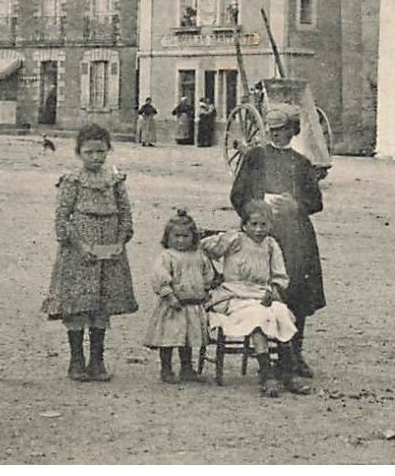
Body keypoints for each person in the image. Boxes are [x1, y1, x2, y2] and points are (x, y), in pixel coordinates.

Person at [228, 103, 326, 379]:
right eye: (272, 130)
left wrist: (296, 204)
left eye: (283, 131)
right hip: (262, 233)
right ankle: (267, 357)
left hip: (295, 236)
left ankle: (294, 354)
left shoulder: (302, 163)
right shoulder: (255, 158)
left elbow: (316, 202)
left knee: (296, 290)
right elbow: (237, 195)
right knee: (263, 292)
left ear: (293, 131)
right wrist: (260, 204)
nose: (276, 136)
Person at [41, 125, 137, 381]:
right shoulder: (72, 180)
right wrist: (80, 246)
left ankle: (97, 360)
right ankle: (76, 360)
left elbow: (126, 213)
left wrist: (119, 241)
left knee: (101, 305)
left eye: (101, 152)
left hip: (109, 254)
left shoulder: (115, 180)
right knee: (77, 305)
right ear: (79, 153)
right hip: (78, 253)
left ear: (108, 151)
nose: (96, 157)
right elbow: (62, 218)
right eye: (89, 152)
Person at [201, 201, 304, 397]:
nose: (258, 230)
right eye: (253, 224)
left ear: (270, 225)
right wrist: (212, 276)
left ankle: (288, 371)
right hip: (234, 295)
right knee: (257, 317)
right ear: (244, 225)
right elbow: (204, 248)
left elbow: (279, 275)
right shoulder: (235, 240)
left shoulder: (271, 245)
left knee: (281, 313)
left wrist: (273, 289)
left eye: (263, 225)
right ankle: (266, 374)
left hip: (261, 294)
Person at [142, 208, 214, 383]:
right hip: (173, 304)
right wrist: (168, 294)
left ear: (193, 237)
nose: (181, 240)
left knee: (187, 338)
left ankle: (187, 368)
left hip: (192, 303)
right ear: (168, 237)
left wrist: (205, 290)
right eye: (176, 236)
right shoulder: (167, 257)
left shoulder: (199, 256)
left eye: (185, 236)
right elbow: (160, 277)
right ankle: (166, 369)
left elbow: (207, 274)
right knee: (169, 337)